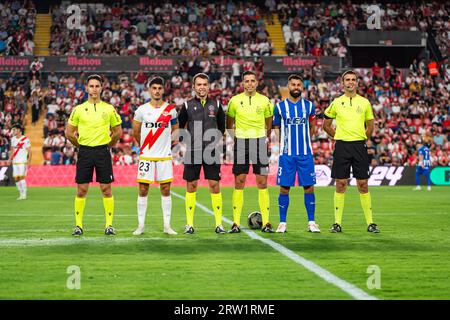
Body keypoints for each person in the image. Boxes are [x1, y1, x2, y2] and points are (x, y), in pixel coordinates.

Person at [65, 74, 123, 236]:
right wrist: (80, 146)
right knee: (82, 189)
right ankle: (78, 226)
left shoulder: (109, 108)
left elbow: (118, 132)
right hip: (85, 152)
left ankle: (109, 225)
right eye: (91, 86)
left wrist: (108, 146)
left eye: (97, 86)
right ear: (86, 88)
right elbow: (69, 133)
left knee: (106, 189)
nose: (94, 89)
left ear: (101, 88)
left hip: (102, 152)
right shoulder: (78, 109)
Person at [323, 70, 380, 233]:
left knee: (363, 184)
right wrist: (338, 137)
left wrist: (363, 138)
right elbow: (326, 125)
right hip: (342, 146)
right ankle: (337, 223)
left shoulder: (364, 102)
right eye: (347, 80)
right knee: (340, 184)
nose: (350, 82)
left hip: (359, 147)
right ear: (342, 83)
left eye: (353, 80)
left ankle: (370, 223)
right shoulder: (336, 102)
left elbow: (370, 126)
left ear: (357, 82)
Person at [178, 73, 226, 234]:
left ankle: (219, 224)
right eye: (199, 84)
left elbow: (222, 127)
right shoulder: (186, 105)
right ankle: (189, 224)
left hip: (211, 150)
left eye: (205, 84)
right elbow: (180, 126)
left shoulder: (217, 105)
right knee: (191, 185)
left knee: (214, 185)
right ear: (193, 87)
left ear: (208, 86)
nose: (202, 87)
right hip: (193, 150)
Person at [226, 70, 274, 233]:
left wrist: (262, 137)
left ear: (257, 82)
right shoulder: (234, 101)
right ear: (242, 83)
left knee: (262, 182)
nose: (250, 84)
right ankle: (235, 223)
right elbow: (229, 123)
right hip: (241, 143)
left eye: (252, 80)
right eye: (247, 81)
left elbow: (269, 123)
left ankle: (266, 222)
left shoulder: (265, 101)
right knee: (239, 182)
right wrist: (238, 139)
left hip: (260, 143)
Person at [272, 75, 320, 233]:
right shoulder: (279, 107)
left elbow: (312, 126)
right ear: (288, 86)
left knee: (309, 187)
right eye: (293, 84)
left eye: (299, 84)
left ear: (302, 87)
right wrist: (283, 144)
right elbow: (277, 128)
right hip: (287, 155)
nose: (296, 87)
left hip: (305, 154)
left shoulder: (309, 106)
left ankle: (312, 222)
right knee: (284, 188)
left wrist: (306, 141)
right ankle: (282, 223)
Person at [131, 76, 178, 236]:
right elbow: (135, 132)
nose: (157, 91)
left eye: (159, 88)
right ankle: (141, 226)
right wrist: (144, 147)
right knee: (143, 189)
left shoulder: (170, 110)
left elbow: (176, 131)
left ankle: (167, 226)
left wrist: (168, 145)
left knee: (166, 189)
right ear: (149, 90)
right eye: (154, 88)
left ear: (163, 90)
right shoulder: (141, 110)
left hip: (164, 156)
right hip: (146, 156)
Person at [8, 124, 31, 200]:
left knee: (21, 178)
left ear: (19, 130)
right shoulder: (13, 139)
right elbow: (12, 150)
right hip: (15, 162)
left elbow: (30, 151)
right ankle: (20, 193)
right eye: (13, 130)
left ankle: (24, 194)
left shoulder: (25, 139)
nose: (13, 131)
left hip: (22, 162)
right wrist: (9, 159)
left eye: (14, 129)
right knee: (16, 178)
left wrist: (29, 161)